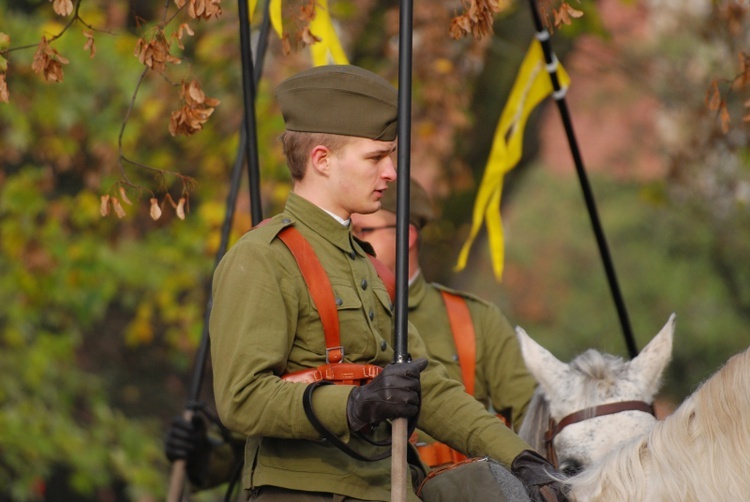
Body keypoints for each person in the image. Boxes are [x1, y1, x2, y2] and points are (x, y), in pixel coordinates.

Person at [204, 64, 566, 501]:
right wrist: (356, 405)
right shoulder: (263, 257)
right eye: (376, 158)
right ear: (321, 160)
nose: (392, 173)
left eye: (390, 156)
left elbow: (426, 388)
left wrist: (522, 459)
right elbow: (241, 399)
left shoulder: (364, 264)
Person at [350, 178, 537, 468]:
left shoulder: (475, 319)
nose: (354, 241)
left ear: (406, 235)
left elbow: (532, 416)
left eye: (363, 230)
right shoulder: (341, 312)